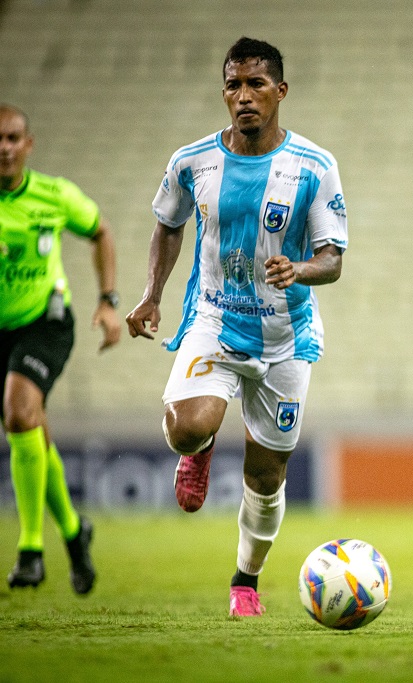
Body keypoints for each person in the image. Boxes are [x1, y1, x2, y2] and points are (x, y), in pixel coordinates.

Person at [125, 37, 347, 616]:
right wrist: (151, 297)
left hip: (286, 338)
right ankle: (196, 447)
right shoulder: (192, 160)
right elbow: (168, 224)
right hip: (216, 321)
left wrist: (299, 268)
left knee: (267, 473)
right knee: (187, 428)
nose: (243, 97)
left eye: (255, 85)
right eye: (233, 85)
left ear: (281, 91)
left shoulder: (315, 167)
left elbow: (333, 258)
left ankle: (245, 582)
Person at [1, 104, 119, 593]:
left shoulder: (54, 195)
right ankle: (74, 531)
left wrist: (109, 301)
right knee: (31, 429)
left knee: (18, 412)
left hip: (45, 323)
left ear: (28, 144)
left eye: (12, 138)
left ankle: (31, 549)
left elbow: (101, 232)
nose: (3, 148)